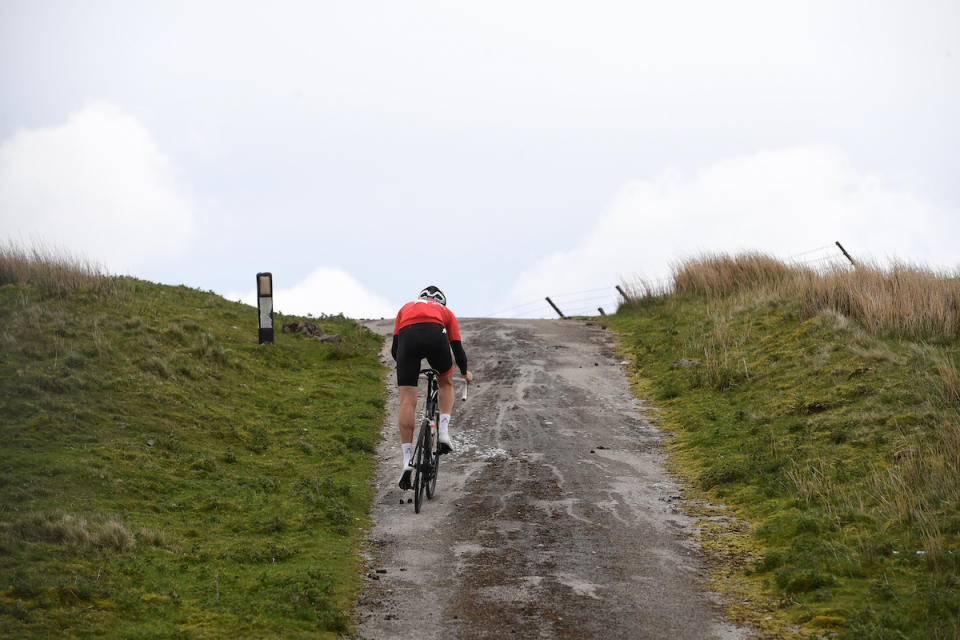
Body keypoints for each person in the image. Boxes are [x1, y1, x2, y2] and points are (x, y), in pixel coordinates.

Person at [391, 285, 472, 490]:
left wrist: (407, 369)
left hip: (408, 338)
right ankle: (443, 432)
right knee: (446, 383)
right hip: (436, 334)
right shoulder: (445, 312)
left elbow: (394, 349)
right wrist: (464, 372)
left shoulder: (406, 307)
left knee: (407, 401)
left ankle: (407, 459)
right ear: (441, 302)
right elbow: (457, 347)